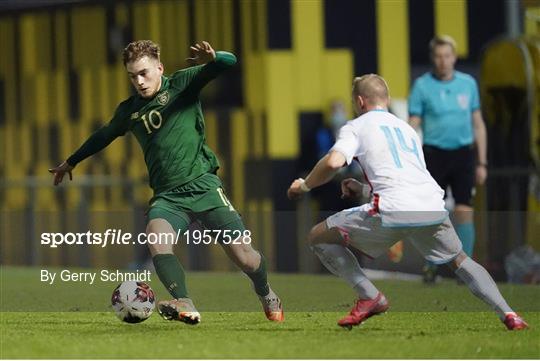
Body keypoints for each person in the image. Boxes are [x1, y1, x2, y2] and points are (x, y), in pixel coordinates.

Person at [49, 40, 283, 324]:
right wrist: (71, 161)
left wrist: (213, 57)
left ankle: (266, 292)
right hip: (168, 197)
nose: (139, 81)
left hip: (204, 187)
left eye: (144, 73)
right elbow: (104, 135)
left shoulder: (183, 84)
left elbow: (228, 63)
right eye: (133, 76)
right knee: (156, 236)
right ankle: (184, 301)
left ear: (159, 68)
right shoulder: (130, 110)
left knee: (245, 257)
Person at [287, 74, 527, 331]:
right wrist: (365, 189)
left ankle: (370, 296)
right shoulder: (407, 129)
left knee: (317, 237)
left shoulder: (356, 126)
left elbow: (334, 162)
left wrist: (305, 185)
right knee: (461, 260)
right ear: (387, 99)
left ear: (359, 101)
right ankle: (510, 314)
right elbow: (406, 181)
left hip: (391, 211)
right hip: (432, 207)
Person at [408, 35, 488, 283]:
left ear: (454, 57)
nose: (443, 61)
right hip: (434, 154)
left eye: (447, 56)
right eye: (438, 56)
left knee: (464, 210)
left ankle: (466, 270)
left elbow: (478, 124)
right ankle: (432, 264)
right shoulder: (421, 86)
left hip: (463, 154)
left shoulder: (468, 84)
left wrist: (481, 162)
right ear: (433, 59)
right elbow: (413, 124)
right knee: (433, 213)